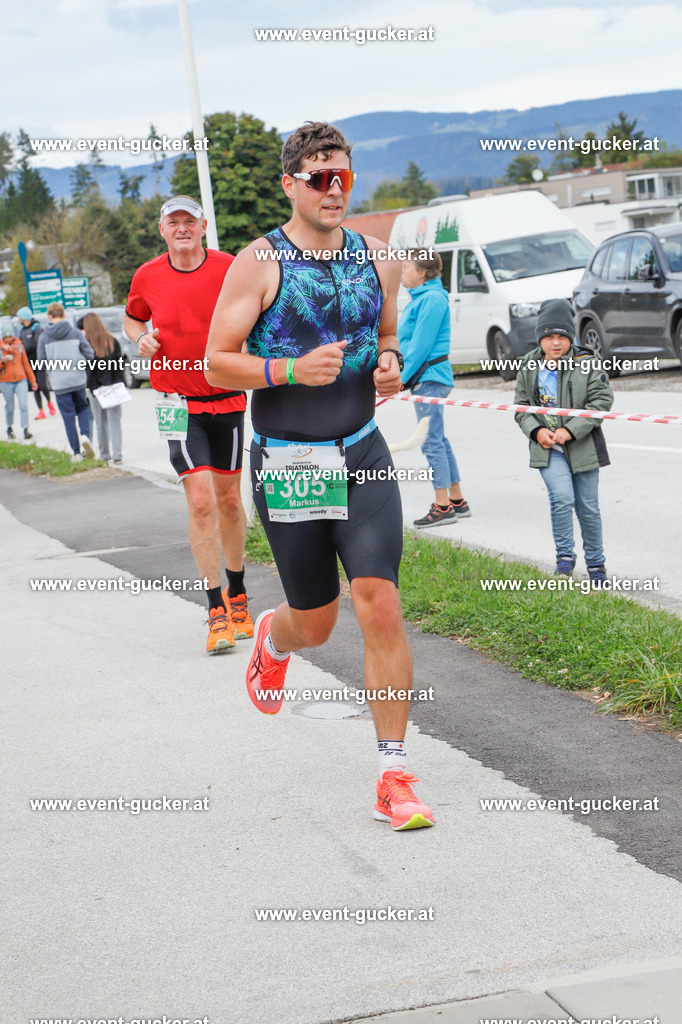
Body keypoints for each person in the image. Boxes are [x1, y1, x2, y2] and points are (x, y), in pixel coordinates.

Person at [205, 121, 434, 832]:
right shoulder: (258, 262)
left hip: (363, 454)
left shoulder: (377, 255)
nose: (333, 190)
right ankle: (275, 635)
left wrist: (391, 361)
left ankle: (392, 773)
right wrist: (287, 370)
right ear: (291, 184)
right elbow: (216, 362)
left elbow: (387, 335)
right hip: (289, 463)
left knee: (379, 600)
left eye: (344, 176)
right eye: (318, 177)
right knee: (319, 620)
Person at [123, 194, 253, 654]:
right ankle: (215, 607)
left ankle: (238, 593)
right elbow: (133, 316)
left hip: (228, 396)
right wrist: (141, 338)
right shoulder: (147, 275)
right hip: (175, 401)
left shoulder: (229, 267)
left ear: (202, 228)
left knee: (229, 502)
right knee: (200, 501)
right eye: (172, 221)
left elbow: (254, 313)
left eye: (189, 221)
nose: (181, 228)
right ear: (162, 230)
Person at [514, 298, 614, 585]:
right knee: (561, 498)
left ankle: (596, 565)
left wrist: (571, 430)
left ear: (571, 337)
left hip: (583, 447)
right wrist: (536, 431)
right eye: (548, 336)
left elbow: (601, 401)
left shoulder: (588, 363)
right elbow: (521, 407)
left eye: (562, 336)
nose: (555, 343)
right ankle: (565, 560)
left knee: (588, 507)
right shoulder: (528, 365)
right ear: (540, 338)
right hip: (549, 449)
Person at [399, 252, 471, 527]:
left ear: (423, 273)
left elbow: (420, 345)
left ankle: (442, 506)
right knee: (438, 439)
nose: (401, 271)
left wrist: (401, 379)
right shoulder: (423, 298)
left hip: (429, 377)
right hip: (427, 377)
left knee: (430, 441)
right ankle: (457, 500)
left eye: (406, 267)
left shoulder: (430, 299)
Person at [37, 303, 95, 460]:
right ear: (63, 315)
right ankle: (85, 436)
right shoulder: (75, 332)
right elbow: (90, 354)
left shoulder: (44, 337)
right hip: (77, 379)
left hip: (59, 383)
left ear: (49, 316)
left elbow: (41, 363)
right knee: (83, 408)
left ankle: (76, 452)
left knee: (68, 417)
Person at [79, 312, 126, 464]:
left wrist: (90, 387)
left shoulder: (87, 345)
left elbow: (89, 371)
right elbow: (120, 367)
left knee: (100, 424)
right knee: (115, 422)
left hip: (96, 390)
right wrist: (121, 384)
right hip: (113, 387)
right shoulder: (113, 342)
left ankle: (105, 455)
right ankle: (118, 455)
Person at [0, 318, 37, 439]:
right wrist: (3, 362)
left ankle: (25, 429)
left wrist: (33, 380)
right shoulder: (1, 349)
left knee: (23, 405)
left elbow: (26, 364)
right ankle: (9, 428)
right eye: (6, 337)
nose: (9, 339)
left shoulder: (19, 346)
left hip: (21, 380)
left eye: (10, 336)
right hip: (6, 381)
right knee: (10, 407)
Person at [16, 306, 55, 419]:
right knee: (35, 387)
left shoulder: (36, 327)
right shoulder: (22, 330)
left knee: (42, 385)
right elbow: (21, 346)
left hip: (39, 361)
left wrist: (25, 348)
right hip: (28, 364)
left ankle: (49, 402)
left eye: (19, 317)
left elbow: (36, 344)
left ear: (24, 317)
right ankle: (41, 410)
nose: (18, 319)